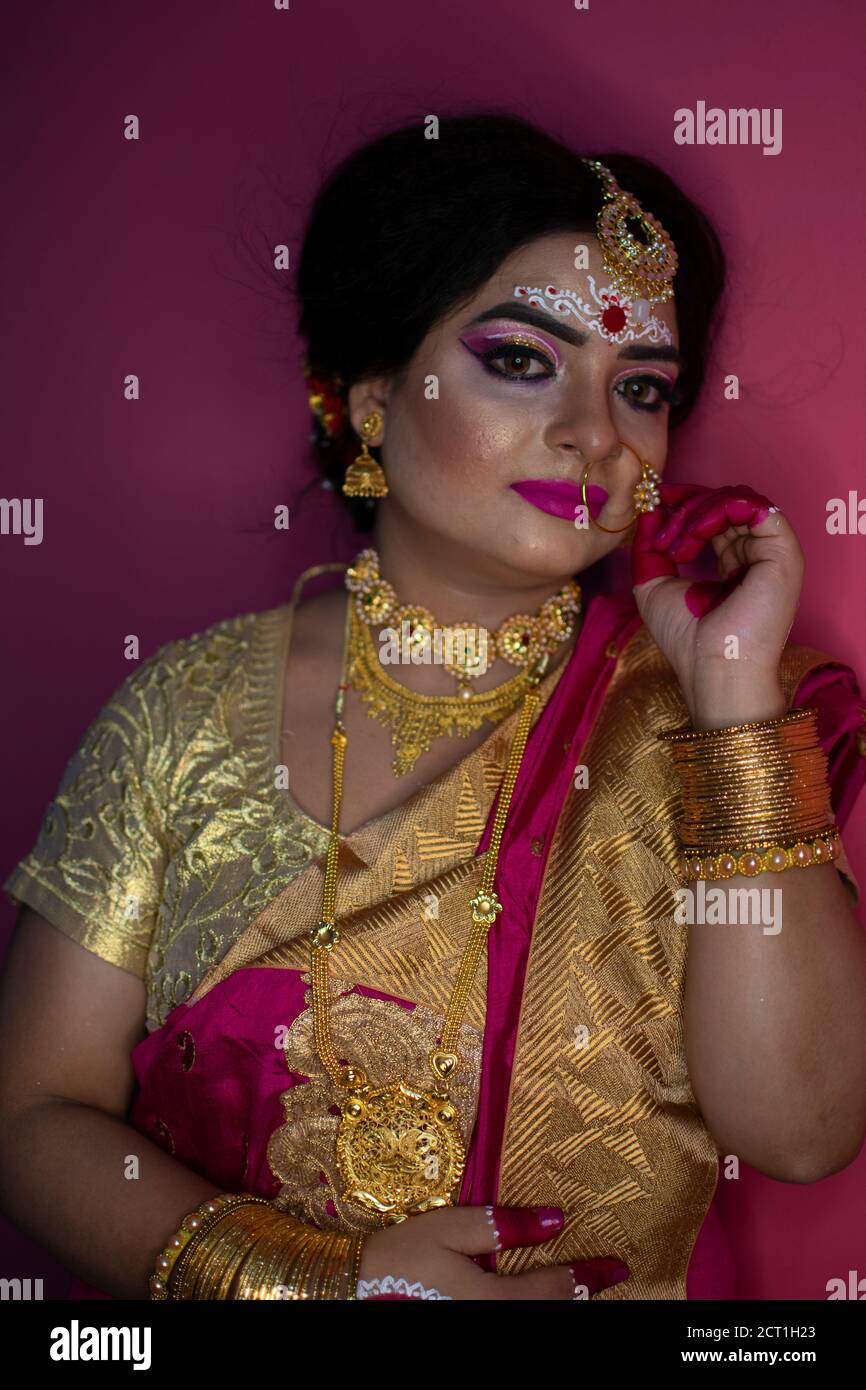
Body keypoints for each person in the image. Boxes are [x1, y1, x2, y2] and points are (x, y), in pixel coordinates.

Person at [1, 113, 865, 1302]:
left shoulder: (720, 724)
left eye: (644, 388)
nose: (594, 435)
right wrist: (321, 1285)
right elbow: (34, 1112)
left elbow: (800, 1131)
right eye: (520, 360)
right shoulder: (178, 712)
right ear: (366, 397)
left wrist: (726, 702)